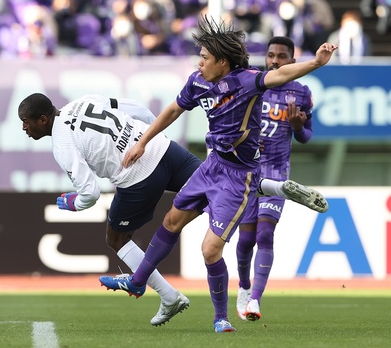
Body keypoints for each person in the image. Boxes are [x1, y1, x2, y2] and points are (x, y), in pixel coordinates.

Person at [99, 15, 335, 333]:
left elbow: (281, 75)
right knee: (171, 221)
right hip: (211, 166)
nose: (200, 63)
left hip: (239, 177)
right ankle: (138, 281)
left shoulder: (246, 81)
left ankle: (221, 317)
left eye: (205, 58)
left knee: (210, 249)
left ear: (222, 62)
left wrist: (316, 63)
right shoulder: (198, 82)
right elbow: (173, 110)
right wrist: (143, 142)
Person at [19, 92, 328, 327]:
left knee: (116, 238)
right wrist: (146, 138)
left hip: (137, 175)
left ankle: (169, 296)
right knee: (220, 181)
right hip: (163, 149)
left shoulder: (61, 143)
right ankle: (277, 187)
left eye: (26, 122)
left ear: (43, 120)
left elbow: (90, 193)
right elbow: (136, 109)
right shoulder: (83, 101)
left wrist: (72, 203)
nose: (24, 128)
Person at [235, 36, 315, 323]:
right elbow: (234, 123)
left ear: (292, 60)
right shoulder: (252, 84)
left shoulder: (301, 92)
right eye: (271, 55)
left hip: (277, 173)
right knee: (246, 239)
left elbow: (307, 136)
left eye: (281, 56)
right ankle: (244, 287)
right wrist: (245, 140)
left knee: (264, 234)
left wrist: (297, 127)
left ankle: (255, 299)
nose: (275, 61)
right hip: (247, 171)